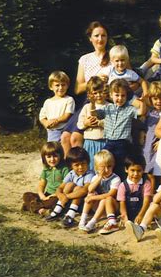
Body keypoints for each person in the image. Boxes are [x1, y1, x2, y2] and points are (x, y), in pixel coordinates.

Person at [61, 21, 111, 156]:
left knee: (75, 138)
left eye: (103, 35)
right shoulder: (85, 59)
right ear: (90, 38)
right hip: (88, 102)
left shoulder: (114, 57)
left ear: (107, 37)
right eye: (96, 36)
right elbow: (78, 88)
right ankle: (70, 173)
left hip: (107, 102)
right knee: (65, 137)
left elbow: (127, 80)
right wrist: (95, 79)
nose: (100, 39)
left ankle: (85, 171)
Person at [92, 79, 146, 178]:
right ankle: (104, 183)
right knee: (104, 162)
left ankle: (120, 187)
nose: (120, 98)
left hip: (123, 143)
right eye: (117, 95)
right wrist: (92, 103)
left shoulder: (129, 109)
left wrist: (142, 103)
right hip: (109, 142)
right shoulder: (108, 108)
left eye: (123, 95)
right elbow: (95, 113)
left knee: (120, 166)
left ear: (127, 96)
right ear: (111, 95)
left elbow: (141, 113)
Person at [45, 147, 95, 228]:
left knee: (78, 188)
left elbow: (85, 190)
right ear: (71, 166)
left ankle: (70, 215)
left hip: (83, 204)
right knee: (69, 184)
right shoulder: (72, 173)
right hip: (67, 201)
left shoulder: (90, 174)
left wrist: (66, 197)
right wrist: (61, 195)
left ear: (88, 162)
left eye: (83, 163)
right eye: (76, 165)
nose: (80, 167)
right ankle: (58, 210)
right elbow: (59, 188)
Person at [78, 150, 121, 234]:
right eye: (102, 167)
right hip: (98, 208)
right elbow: (90, 189)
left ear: (113, 166)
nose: (106, 169)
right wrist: (100, 177)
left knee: (105, 199)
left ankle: (92, 222)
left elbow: (111, 194)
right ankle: (82, 220)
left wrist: (93, 197)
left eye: (109, 166)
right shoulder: (96, 177)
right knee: (91, 193)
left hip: (111, 207)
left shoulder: (116, 178)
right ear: (96, 168)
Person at [22, 142, 69, 215]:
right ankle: (40, 208)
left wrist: (52, 195)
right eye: (49, 156)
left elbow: (66, 187)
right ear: (44, 157)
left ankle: (31, 206)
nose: (52, 159)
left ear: (61, 155)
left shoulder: (64, 169)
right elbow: (41, 184)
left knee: (54, 201)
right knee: (26, 195)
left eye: (55, 156)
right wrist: (41, 195)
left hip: (56, 196)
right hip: (46, 195)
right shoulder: (46, 169)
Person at [77, 76, 108, 170]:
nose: (98, 95)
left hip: (104, 142)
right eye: (95, 93)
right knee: (90, 167)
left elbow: (113, 124)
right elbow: (79, 124)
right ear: (89, 94)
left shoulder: (110, 107)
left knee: (103, 167)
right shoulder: (86, 107)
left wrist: (100, 123)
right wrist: (86, 123)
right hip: (90, 142)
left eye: (101, 92)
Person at [142, 81, 161, 179]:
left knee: (157, 168)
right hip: (148, 143)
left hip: (158, 143)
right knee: (146, 165)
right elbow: (145, 126)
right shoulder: (150, 112)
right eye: (155, 99)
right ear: (151, 99)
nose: (158, 101)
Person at [39, 71, 75, 142]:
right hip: (51, 131)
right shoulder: (48, 102)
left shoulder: (69, 99)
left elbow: (67, 115)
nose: (61, 88)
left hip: (64, 130)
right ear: (51, 87)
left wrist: (56, 121)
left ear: (67, 86)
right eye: (57, 85)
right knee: (53, 150)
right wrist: (46, 123)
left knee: (64, 150)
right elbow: (42, 117)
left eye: (63, 85)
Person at [117, 153, 152, 224]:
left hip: (142, 212)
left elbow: (146, 201)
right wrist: (125, 217)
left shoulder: (146, 183)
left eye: (139, 171)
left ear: (143, 170)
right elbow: (122, 203)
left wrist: (141, 215)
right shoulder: (122, 185)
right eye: (132, 170)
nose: (136, 174)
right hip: (128, 212)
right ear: (126, 170)